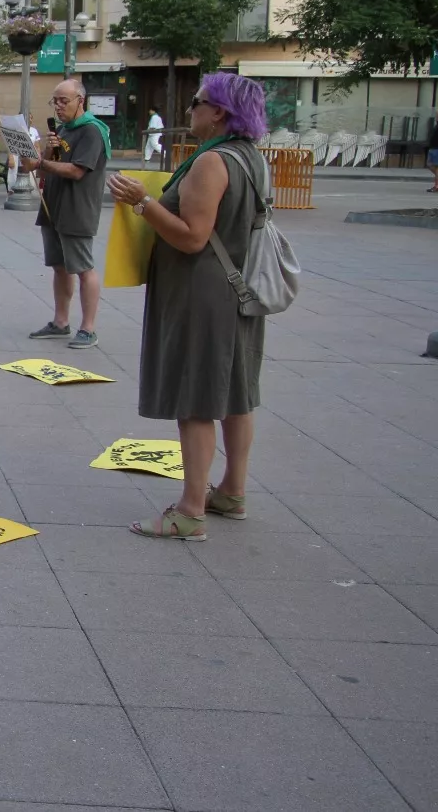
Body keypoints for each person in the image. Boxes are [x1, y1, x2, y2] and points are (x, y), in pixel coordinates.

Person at [106, 73, 270, 541]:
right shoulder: (250, 156)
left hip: (203, 293)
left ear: (218, 112)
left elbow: (192, 237)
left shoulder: (212, 161)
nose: (189, 110)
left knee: (196, 400)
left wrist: (142, 202)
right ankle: (232, 492)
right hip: (238, 289)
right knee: (236, 394)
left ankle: (190, 511)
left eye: (197, 102)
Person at [22, 79, 109, 349]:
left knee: (83, 268)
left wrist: (41, 161)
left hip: (77, 208)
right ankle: (60, 322)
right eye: (55, 101)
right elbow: (45, 168)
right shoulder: (62, 129)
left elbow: (77, 170)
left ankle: (88, 328)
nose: (58, 106)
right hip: (53, 206)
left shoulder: (92, 131)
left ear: (80, 101)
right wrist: (47, 151)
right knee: (59, 267)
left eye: (64, 101)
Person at [426, 116, 438, 192]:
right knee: (429, 164)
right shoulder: (436, 125)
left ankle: (436, 186)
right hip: (432, 148)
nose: (436, 117)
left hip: (437, 149)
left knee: (437, 167)